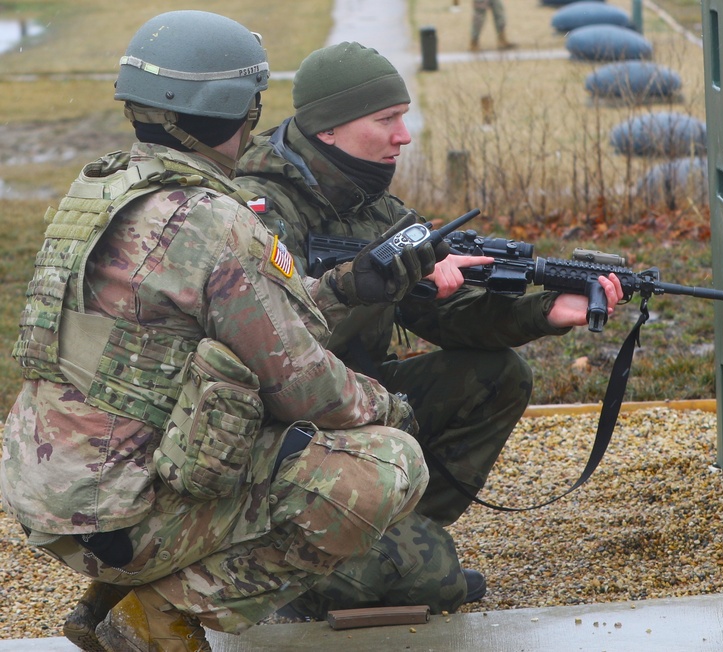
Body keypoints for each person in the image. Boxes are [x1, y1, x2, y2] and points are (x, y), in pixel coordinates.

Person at [0, 11, 446, 652]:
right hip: (125, 514)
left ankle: (111, 594)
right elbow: (307, 389)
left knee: (237, 404)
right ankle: (156, 611)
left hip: (50, 498)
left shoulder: (99, 190)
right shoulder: (213, 220)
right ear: (240, 106)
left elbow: (202, 327)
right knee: (387, 465)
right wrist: (388, 407)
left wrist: (346, 288)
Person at [234, 41, 624, 619]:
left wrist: (544, 312)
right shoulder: (257, 212)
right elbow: (271, 345)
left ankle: (388, 532)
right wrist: (376, 283)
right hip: (275, 432)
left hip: (354, 410)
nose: (404, 136)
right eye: (386, 120)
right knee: (435, 585)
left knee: (497, 377)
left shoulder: (373, 205)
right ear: (330, 130)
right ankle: (294, 560)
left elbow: (450, 314)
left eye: (402, 117)